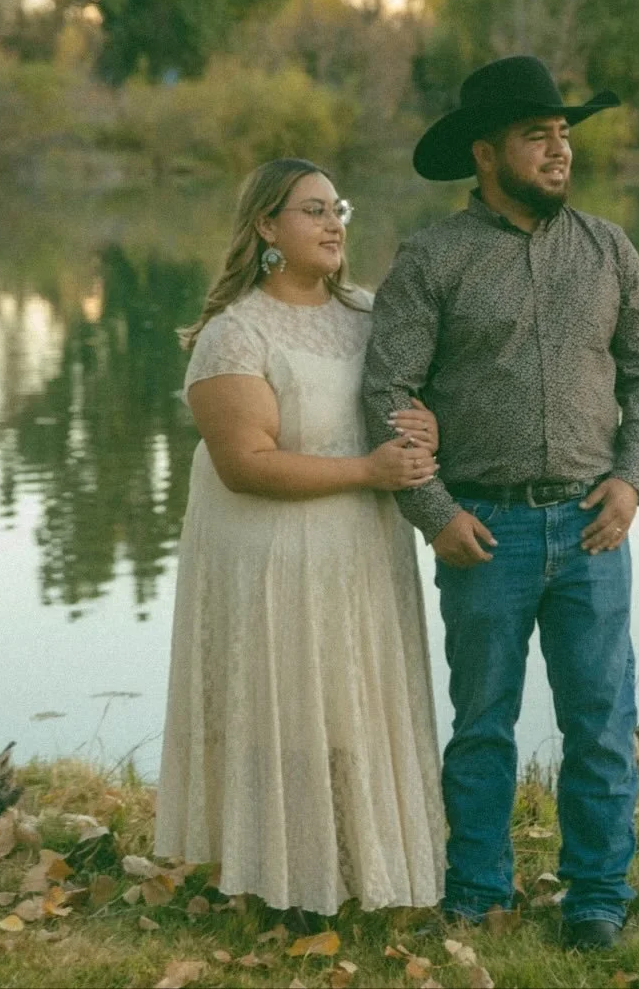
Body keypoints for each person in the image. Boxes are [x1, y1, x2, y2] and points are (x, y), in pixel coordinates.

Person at [362, 56, 639, 949]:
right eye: (537, 136)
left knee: (602, 726)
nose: (558, 151)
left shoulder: (610, 248)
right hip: (481, 530)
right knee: (483, 727)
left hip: (594, 525)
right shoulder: (432, 260)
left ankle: (598, 897)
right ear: (486, 153)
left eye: (564, 135)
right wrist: (434, 512)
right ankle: (479, 890)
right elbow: (388, 390)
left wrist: (632, 478)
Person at [154, 158, 445, 917]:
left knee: (352, 706)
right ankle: (279, 885)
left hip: (361, 551)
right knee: (282, 710)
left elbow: (410, 406)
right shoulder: (234, 334)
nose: (333, 223)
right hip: (271, 554)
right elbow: (244, 463)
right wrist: (370, 469)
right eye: (313, 210)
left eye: (337, 208)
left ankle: (362, 873)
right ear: (266, 227)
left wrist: (427, 426)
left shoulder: (371, 315)